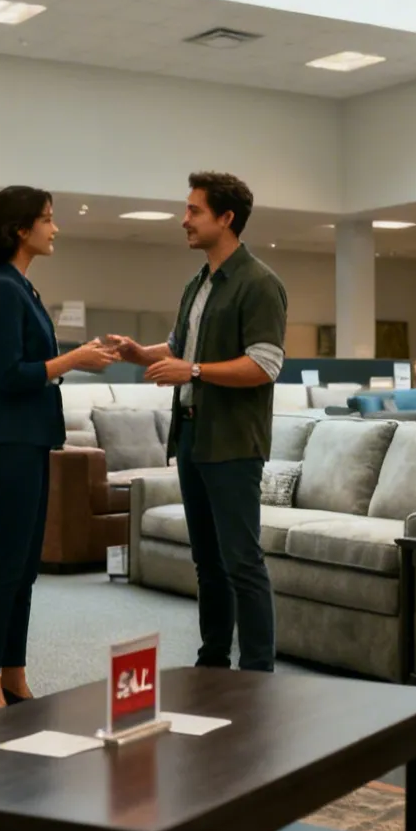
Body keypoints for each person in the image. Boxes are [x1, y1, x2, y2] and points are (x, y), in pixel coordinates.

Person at [107, 172, 287, 672]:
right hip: (191, 435)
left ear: (226, 218)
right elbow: (180, 348)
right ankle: (213, 661)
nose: (183, 219)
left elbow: (265, 364)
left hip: (233, 442)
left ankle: (257, 671)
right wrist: (140, 353)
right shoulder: (199, 283)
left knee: (241, 561)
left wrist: (194, 371)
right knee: (207, 561)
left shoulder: (260, 284)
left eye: (194, 211)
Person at [0, 185, 117, 713]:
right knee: (8, 563)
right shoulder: (2, 290)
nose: (56, 229)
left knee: (26, 566)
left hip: (29, 437)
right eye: (48, 220)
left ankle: (13, 676)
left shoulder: (21, 286)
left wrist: (75, 359)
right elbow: (8, 376)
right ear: (20, 228)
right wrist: (73, 360)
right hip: (9, 438)